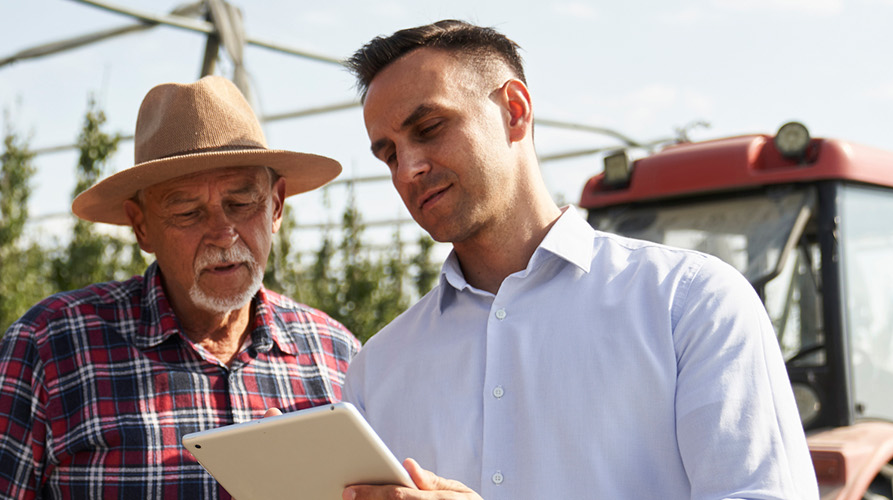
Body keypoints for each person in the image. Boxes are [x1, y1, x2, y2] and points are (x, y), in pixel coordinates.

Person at [337, 20, 818, 500]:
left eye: (429, 128)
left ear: (515, 110)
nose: (409, 169)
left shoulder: (690, 305)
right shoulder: (375, 371)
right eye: (389, 155)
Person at [0, 76, 362, 499]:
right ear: (141, 225)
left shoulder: (337, 356)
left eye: (241, 204)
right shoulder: (51, 347)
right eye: (187, 212)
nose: (223, 234)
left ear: (276, 206)